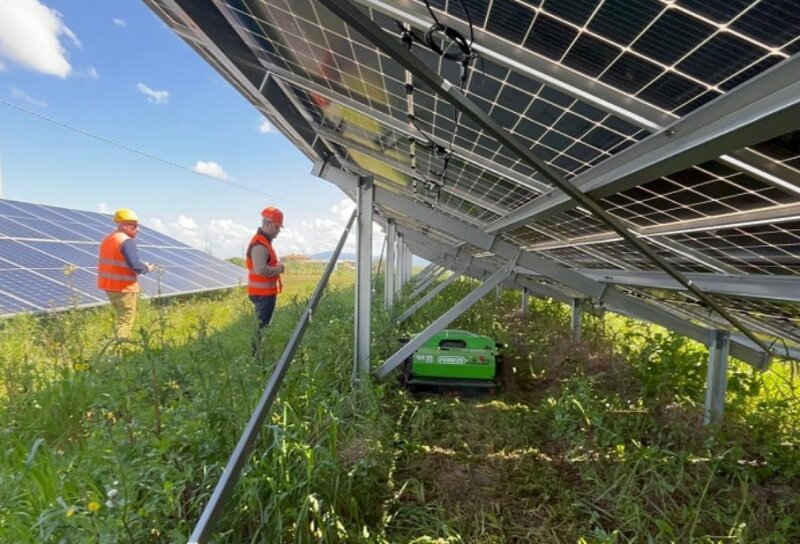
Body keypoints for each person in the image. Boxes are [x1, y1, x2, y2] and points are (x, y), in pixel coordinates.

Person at [97, 208, 155, 340]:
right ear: (123, 225)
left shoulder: (108, 239)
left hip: (109, 286)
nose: (138, 229)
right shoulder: (126, 241)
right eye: (134, 226)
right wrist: (147, 268)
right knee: (126, 321)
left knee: (120, 318)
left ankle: (115, 344)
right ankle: (120, 348)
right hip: (124, 288)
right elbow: (136, 267)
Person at [246, 207, 284, 341]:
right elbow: (260, 270)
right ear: (267, 224)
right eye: (276, 227)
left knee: (262, 327)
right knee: (261, 329)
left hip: (265, 293)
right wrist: (279, 269)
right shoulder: (260, 245)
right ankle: (257, 352)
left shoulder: (265, 242)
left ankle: (259, 350)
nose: (278, 230)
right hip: (263, 295)